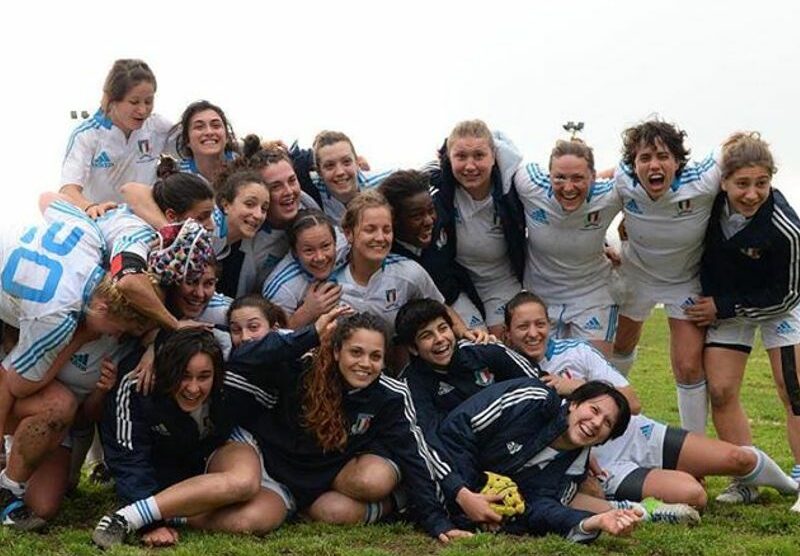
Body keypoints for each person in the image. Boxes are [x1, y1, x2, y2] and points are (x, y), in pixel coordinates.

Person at [504, 291, 798, 510]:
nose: (533, 334)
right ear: (507, 333)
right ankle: (635, 508)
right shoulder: (502, 375)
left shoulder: (576, 352)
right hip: (602, 467)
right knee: (694, 495)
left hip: (635, 436)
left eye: (540, 324)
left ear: (549, 324)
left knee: (740, 457)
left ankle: (791, 486)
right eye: (523, 327)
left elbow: (631, 403)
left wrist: (578, 387)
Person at [225, 310, 471, 542]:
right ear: (336, 351)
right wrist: (311, 334)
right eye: (356, 352)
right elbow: (241, 360)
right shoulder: (301, 369)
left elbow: (413, 454)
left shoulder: (390, 395)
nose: (365, 363)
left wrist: (437, 521)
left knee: (347, 500)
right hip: (281, 473)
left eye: (375, 356)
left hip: (335, 473)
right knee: (245, 523)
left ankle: (399, 500)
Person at [684, 132, 800, 505]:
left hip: (780, 305)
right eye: (742, 184)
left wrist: (726, 307)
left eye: (761, 183)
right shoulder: (709, 205)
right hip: (729, 302)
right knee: (720, 390)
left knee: (794, 391)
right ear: (724, 181)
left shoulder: (786, 228)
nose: (752, 194)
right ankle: (746, 479)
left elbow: (788, 294)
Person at [92, 329, 284, 548]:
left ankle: (152, 513)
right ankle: (132, 516)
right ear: (165, 370)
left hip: (219, 458)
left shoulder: (231, 385)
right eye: (183, 376)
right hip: (165, 478)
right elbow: (128, 458)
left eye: (204, 377)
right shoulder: (137, 384)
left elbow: (278, 404)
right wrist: (152, 524)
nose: (193, 388)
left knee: (248, 501)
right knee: (245, 501)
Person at [610, 119, 721, 433]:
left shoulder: (703, 181)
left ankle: (693, 449)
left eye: (662, 156)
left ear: (677, 161)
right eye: (644, 158)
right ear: (634, 165)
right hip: (636, 275)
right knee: (619, 348)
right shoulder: (623, 181)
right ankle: (613, 426)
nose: (653, 165)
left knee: (688, 366)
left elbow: (734, 152)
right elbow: (595, 186)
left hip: (684, 281)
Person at [438, 378, 642, 542]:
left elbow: (540, 510)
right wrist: (467, 492)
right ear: (574, 403)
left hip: (447, 508)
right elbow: (456, 431)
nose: (596, 423)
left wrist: (592, 521)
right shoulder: (533, 400)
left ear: (606, 438)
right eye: (594, 410)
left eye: (607, 423)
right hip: (426, 467)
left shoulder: (574, 469)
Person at [327, 191, 481, 369]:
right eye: (370, 229)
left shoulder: (409, 272)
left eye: (387, 230)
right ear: (349, 233)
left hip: (402, 368)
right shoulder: (331, 283)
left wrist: (465, 333)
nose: (380, 238)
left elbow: (440, 306)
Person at [512, 139, 622, 356]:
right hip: (541, 298)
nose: (568, 187)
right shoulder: (529, 184)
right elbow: (498, 148)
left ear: (593, 176)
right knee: (542, 378)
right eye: (560, 177)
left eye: (578, 178)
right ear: (549, 175)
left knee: (594, 378)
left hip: (592, 296)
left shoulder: (610, 195)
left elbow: (633, 174)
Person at [427, 121, 526, 337]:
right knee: (475, 343)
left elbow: (554, 211)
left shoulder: (515, 188)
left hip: (501, 281)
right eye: (461, 157)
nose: (470, 166)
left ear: (493, 157)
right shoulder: (437, 189)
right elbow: (397, 189)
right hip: (459, 284)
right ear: (449, 158)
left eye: (479, 156)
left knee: (505, 340)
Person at [395, 298, 540, 429]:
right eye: (427, 336)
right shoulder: (409, 388)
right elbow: (434, 440)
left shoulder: (481, 348)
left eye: (443, 328)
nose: (439, 339)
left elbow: (537, 384)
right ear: (413, 348)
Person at [60, 59, 171, 214]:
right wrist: (90, 207)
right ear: (112, 100)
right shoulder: (88, 135)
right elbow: (68, 189)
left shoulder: (157, 127)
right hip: (102, 221)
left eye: (148, 101)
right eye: (134, 102)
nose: (143, 110)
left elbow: (193, 147)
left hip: (145, 220)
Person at [379, 170, 485, 329]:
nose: (429, 221)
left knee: (480, 344)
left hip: (454, 298)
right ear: (393, 220)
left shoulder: (440, 214)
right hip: (417, 317)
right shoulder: (384, 249)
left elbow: (447, 165)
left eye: (430, 210)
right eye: (416, 216)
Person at [262, 209, 348, 328]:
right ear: (295, 252)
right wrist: (307, 313)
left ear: (335, 242)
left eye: (326, 246)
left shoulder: (346, 244)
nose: (320, 257)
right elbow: (274, 340)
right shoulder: (282, 287)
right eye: (309, 250)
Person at [291, 130, 392, 222]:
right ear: (319, 172)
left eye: (346, 162)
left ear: (357, 163)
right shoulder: (314, 188)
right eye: (330, 165)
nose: (340, 172)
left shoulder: (383, 184)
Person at [173, 100, 239, 185]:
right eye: (199, 127)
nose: (209, 132)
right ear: (187, 140)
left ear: (226, 136)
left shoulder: (246, 168)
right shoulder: (177, 178)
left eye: (216, 126)